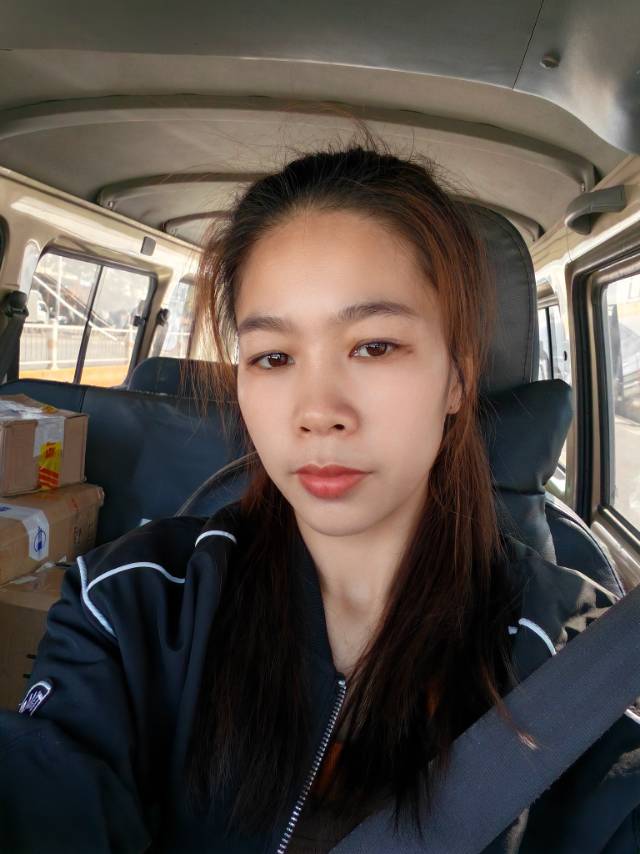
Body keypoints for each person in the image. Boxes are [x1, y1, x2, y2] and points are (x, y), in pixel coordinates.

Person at [1, 129, 639, 854]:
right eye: (273, 357)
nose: (317, 411)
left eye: (374, 345)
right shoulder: (131, 602)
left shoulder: (570, 658)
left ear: (457, 378)